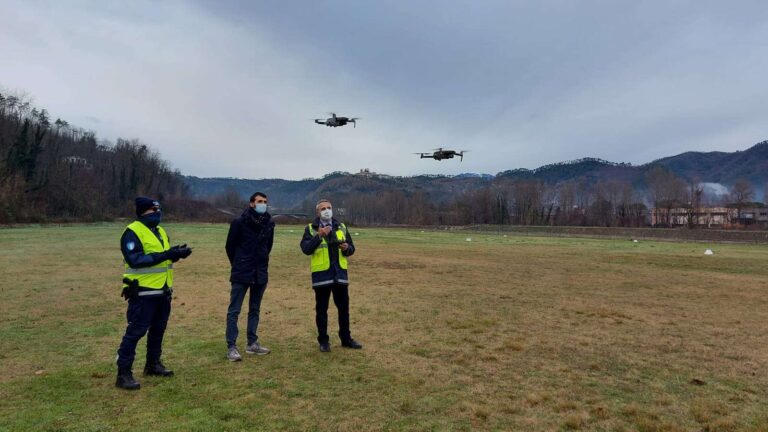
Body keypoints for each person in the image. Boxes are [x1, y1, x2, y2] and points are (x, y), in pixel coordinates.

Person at [116, 197, 192, 390]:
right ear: (142, 212)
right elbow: (136, 260)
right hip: (143, 291)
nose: (157, 214)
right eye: (153, 211)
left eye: (158, 210)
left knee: (158, 330)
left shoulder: (159, 231)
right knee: (136, 332)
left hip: (163, 290)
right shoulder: (132, 232)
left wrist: (176, 253)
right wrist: (167, 255)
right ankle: (123, 373)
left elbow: (161, 257)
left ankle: (153, 364)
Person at [300, 199, 362, 352]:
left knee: (344, 309)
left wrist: (347, 248)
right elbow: (306, 249)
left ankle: (346, 339)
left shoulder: (341, 227)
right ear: (317, 212)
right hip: (322, 277)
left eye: (329, 208)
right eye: (323, 209)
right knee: (322, 310)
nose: (326, 211)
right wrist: (318, 236)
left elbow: (351, 248)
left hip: (339, 275)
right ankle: (323, 341)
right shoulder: (310, 229)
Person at [224, 192, 275, 361]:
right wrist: (239, 263)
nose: (263, 204)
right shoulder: (239, 222)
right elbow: (230, 246)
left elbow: (268, 246)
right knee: (234, 310)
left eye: (265, 202)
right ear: (252, 203)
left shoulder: (270, 223)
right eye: (260, 201)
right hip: (242, 271)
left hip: (260, 273)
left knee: (255, 309)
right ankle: (231, 346)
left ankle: (252, 343)